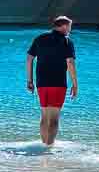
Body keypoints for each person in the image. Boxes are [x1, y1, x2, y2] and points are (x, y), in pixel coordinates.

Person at [26, 16, 78, 146]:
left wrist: (30, 81)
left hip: (41, 83)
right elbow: (70, 62)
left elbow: (29, 59)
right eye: (69, 27)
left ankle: (44, 144)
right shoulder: (67, 41)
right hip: (58, 83)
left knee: (44, 116)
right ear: (64, 26)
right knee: (54, 117)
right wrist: (75, 84)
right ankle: (49, 147)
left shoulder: (39, 38)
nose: (70, 30)